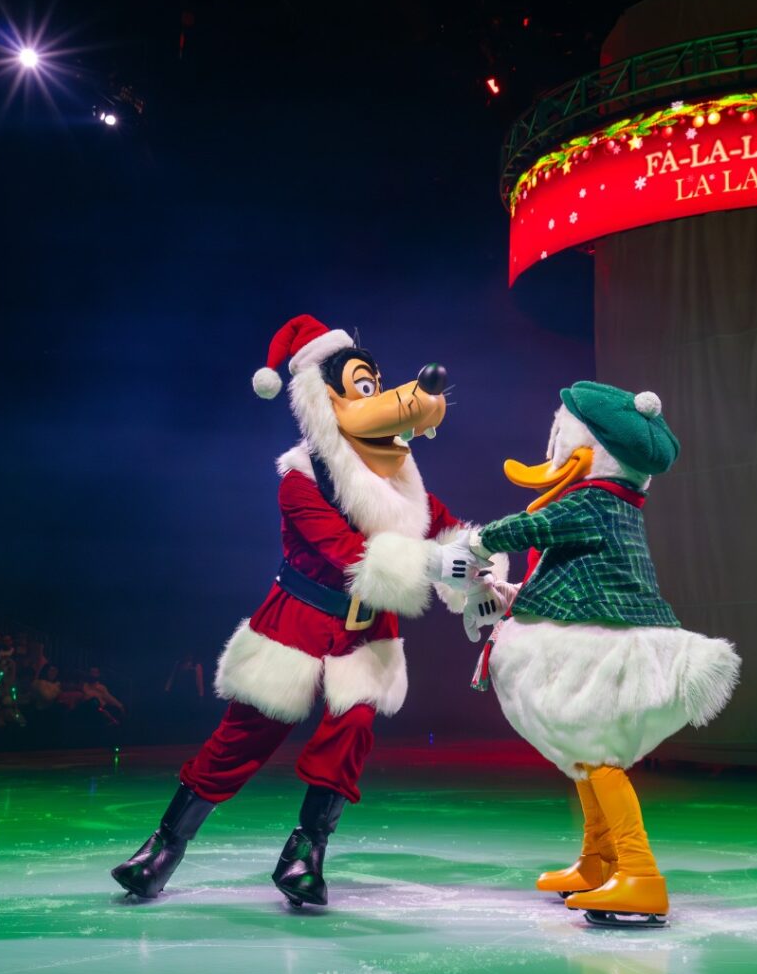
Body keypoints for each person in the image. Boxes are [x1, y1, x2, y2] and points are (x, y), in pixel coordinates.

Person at [110, 314, 502, 907]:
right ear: (326, 401)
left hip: (366, 633)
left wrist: (484, 573)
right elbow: (346, 552)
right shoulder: (301, 477)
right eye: (360, 387)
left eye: (375, 383)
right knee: (242, 737)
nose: (378, 398)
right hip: (298, 620)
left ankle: (305, 854)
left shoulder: (401, 477)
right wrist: (428, 564)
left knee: (352, 733)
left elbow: (448, 529)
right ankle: (164, 846)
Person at [466, 382, 740, 929]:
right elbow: (573, 579)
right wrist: (514, 596)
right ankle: (600, 861)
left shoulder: (593, 501)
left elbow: (532, 526)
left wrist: (479, 543)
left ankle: (639, 874)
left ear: (592, 450)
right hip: (603, 640)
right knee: (587, 763)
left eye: (560, 438)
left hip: (608, 656)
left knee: (599, 760)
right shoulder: (612, 507)